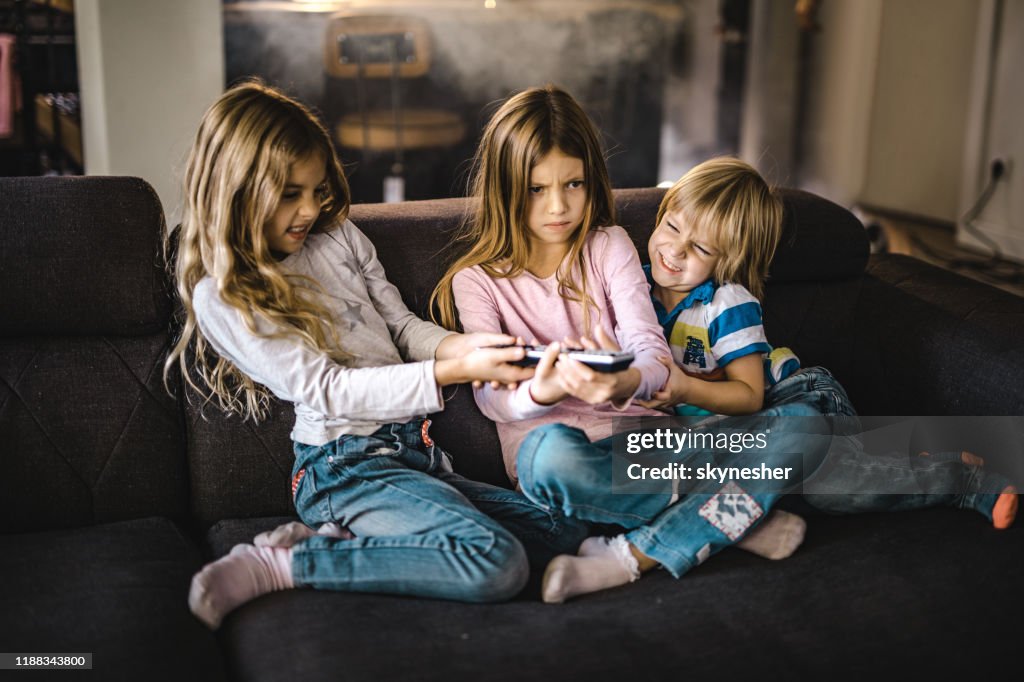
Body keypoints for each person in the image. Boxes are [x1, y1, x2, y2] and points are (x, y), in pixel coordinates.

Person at [167, 81, 589, 629]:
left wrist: (468, 346)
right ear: (237, 190)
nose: (310, 209)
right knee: (494, 562)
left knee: (567, 532)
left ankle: (352, 539)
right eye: (290, 194)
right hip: (342, 467)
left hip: (418, 458)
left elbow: (401, 326)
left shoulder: (338, 236)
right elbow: (330, 390)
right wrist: (452, 370)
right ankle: (286, 564)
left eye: (317, 190)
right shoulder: (225, 294)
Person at [431, 86, 816, 604]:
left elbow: (650, 348)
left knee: (806, 425)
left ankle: (649, 547)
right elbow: (492, 398)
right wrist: (541, 392)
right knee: (550, 459)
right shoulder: (476, 282)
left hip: (650, 442)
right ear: (504, 188)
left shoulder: (607, 245)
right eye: (536, 189)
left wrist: (628, 379)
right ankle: (735, 519)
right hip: (559, 455)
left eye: (574, 184)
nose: (559, 207)